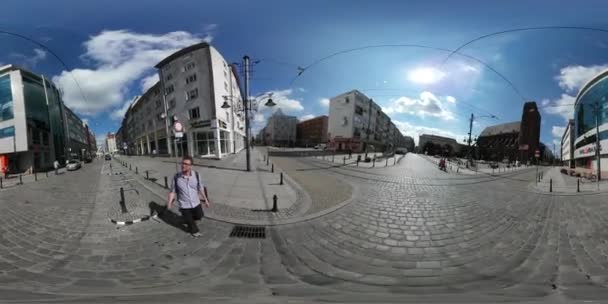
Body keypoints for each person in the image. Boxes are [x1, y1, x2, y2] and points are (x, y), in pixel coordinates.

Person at [168, 155, 210, 237]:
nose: (183, 165)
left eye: (186, 164)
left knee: (200, 216)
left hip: (196, 202)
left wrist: (206, 200)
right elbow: (172, 191)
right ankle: (194, 231)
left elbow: (201, 188)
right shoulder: (176, 177)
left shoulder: (197, 175)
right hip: (184, 204)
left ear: (191, 166)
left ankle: (187, 219)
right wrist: (169, 203)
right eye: (182, 163)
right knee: (190, 222)